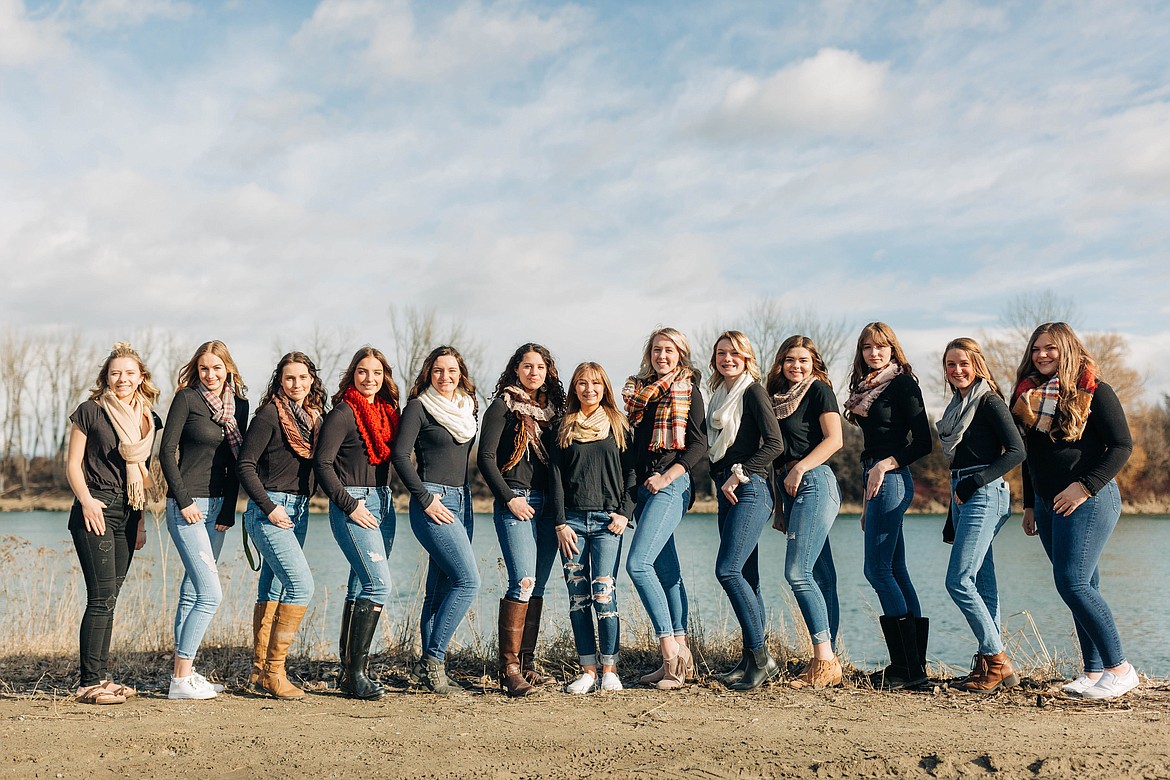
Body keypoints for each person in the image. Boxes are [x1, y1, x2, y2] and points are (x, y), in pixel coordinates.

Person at [1012, 323, 1137, 700]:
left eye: (1050, 348)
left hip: (1090, 498)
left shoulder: (1096, 392)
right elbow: (1032, 457)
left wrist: (1083, 486)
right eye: (1036, 349)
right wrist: (1031, 503)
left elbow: (1121, 445)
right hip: (1049, 505)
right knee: (1082, 586)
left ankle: (1121, 669)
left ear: (1067, 350)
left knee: (1073, 582)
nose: (1042, 355)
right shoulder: (1028, 398)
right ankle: (1094, 671)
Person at [66, 343, 162, 705]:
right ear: (106, 377)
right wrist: (88, 501)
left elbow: (145, 469)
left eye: (129, 373)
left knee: (111, 597)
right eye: (115, 373)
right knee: (100, 597)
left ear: (141, 378)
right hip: (97, 507)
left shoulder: (149, 418)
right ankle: (88, 683)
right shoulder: (90, 412)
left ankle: (101, 677)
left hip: (129, 509)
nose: (122, 379)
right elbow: (73, 465)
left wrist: (138, 523)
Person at [843, 322, 932, 690]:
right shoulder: (867, 388)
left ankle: (904, 668)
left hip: (891, 478)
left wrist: (886, 464)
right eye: (867, 347)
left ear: (893, 350)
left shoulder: (903, 383)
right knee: (895, 569)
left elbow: (923, 441)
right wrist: (867, 495)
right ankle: (913, 668)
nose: (874, 353)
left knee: (877, 571)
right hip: (876, 480)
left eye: (881, 347)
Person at [936, 338, 1026, 693]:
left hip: (985, 494)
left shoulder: (988, 401)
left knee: (958, 581)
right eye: (950, 365)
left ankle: (999, 660)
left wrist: (974, 482)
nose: (956, 370)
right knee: (982, 583)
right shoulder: (956, 408)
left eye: (963, 363)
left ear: (977, 364)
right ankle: (986, 665)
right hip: (963, 495)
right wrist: (953, 506)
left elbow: (1017, 451)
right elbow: (957, 464)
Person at [160, 340, 248, 700]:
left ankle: (186, 674)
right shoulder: (186, 400)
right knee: (211, 593)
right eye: (203, 369)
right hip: (187, 505)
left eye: (216, 368)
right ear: (195, 371)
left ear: (228, 367)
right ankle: (180, 680)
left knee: (193, 590)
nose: (210, 375)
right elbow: (166, 452)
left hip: (217, 510)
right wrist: (183, 501)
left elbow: (234, 463)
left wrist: (228, 510)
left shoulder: (238, 405)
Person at [392, 346, 482, 695]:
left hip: (463, 500)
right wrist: (425, 499)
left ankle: (425, 672)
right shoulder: (419, 407)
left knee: (439, 588)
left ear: (461, 374)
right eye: (438, 371)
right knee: (469, 580)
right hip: (432, 500)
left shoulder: (467, 407)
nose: (445, 377)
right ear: (428, 374)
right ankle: (434, 659)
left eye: (452, 370)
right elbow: (400, 457)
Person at [478, 343, 566, 697]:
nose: (533, 372)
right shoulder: (503, 406)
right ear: (516, 369)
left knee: (539, 587)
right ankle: (508, 669)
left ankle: (528, 665)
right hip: (516, 501)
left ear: (548, 371)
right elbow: (485, 458)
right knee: (524, 582)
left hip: (548, 506)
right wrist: (509, 498)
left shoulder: (554, 412)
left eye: (540, 367)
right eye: (527, 366)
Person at [622, 327, 708, 690]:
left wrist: (668, 476)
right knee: (666, 569)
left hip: (670, 484)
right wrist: (627, 499)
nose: (662, 356)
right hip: (644, 488)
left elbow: (699, 445)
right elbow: (629, 446)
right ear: (649, 354)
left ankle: (670, 651)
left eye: (669, 350)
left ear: (681, 355)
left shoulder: (689, 391)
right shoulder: (638, 393)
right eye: (657, 350)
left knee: (638, 565)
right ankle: (680, 657)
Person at [237, 352, 326, 700]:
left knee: (273, 589)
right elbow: (246, 466)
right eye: (290, 378)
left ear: (311, 380)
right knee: (301, 586)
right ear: (279, 381)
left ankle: (259, 672)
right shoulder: (269, 415)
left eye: (303, 378)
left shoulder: (314, 419)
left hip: (298, 511)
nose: (297, 384)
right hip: (269, 512)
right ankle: (275, 672)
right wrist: (269, 508)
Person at [314, 346, 399, 700]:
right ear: (353, 374)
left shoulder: (388, 413)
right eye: (363, 372)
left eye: (376, 373)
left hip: (385, 501)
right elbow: (322, 464)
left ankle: (348, 673)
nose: (370, 379)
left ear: (384, 377)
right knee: (379, 585)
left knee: (360, 586)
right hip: (354, 503)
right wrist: (350, 505)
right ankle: (357, 672)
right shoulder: (343, 413)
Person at [548, 362, 635, 694]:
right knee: (578, 599)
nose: (589, 389)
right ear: (574, 389)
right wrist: (558, 523)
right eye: (582, 384)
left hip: (608, 523)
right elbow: (555, 481)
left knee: (604, 594)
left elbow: (632, 475)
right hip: (571, 524)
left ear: (605, 388)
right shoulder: (563, 428)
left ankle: (610, 669)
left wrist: (624, 513)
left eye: (596, 383)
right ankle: (587, 671)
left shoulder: (619, 425)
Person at [706, 331, 784, 690]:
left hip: (749, 489)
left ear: (747, 357)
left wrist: (739, 475)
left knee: (728, 570)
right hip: (728, 490)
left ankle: (762, 657)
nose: (728, 358)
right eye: (722, 353)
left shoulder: (753, 392)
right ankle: (749, 660)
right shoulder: (719, 396)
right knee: (748, 579)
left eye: (734, 353)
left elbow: (774, 444)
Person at [767, 335, 844, 690]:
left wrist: (800, 470)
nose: (796, 366)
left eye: (803, 359)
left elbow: (834, 440)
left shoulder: (819, 391)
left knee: (798, 572)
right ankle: (828, 658)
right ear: (781, 363)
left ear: (814, 361)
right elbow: (775, 457)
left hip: (815, 481)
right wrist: (780, 508)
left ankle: (824, 659)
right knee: (821, 576)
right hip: (792, 490)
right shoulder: (776, 400)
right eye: (789, 360)